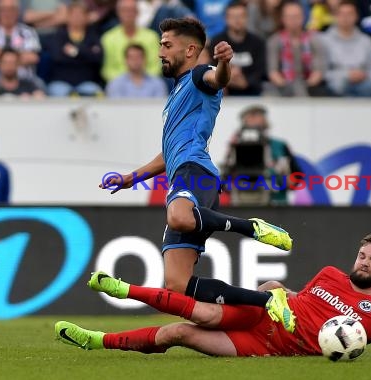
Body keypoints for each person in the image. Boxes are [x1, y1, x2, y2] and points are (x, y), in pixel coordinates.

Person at [99, 17, 295, 331]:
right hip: (180, 172)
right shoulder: (177, 92)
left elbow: (218, 79)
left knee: (179, 217)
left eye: (166, 45)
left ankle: (250, 227)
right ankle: (269, 300)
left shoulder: (199, 75)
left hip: (196, 172)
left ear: (190, 49)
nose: (160, 51)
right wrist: (130, 179)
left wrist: (224, 62)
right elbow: (168, 153)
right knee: (176, 284)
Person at [55, 234, 371, 358]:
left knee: (175, 334)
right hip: (264, 318)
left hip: (267, 348)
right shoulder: (330, 275)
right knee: (201, 313)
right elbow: (304, 298)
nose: (364, 262)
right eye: (362, 254)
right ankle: (119, 296)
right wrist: (281, 290)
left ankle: (98, 340)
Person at [223, 105, 301, 205]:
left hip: (276, 202)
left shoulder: (279, 145)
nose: (254, 121)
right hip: (243, 201)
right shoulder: (235, 146)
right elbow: (225, 176)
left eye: (257, 116)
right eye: (251, 117)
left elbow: (296, 175)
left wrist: (286, 180)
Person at [321, 0, 371, 97]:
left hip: (364, 81)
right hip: (338, 83)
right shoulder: (324, 40)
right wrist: (347, 75)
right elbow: (322, 72)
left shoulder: (366, 40)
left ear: (356, 16)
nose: (345, 18)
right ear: (335, 16)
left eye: (349, 14)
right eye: (342, 14)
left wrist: (364, 75)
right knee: (337, 86)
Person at [265, 0, 329, 97]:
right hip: (282, 87)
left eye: (296, 17)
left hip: (310, 87)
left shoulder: (314, 40)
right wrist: (288, 87)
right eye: (289, 17)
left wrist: (305, 86)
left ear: (303, 17)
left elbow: (318, 71)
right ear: (283, 19)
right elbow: (273, 72)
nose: (293, 21)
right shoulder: (274, 41)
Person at [0, 0, 42, 92]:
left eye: (11, 10)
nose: (7, 14)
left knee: (40, 87)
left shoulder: (28, 32)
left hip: (25, 77)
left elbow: (33, 58)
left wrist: (2, 54)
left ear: (17, 12)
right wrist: (19, 55)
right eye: (3, 10)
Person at [209, 0, 267, 96]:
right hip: (224, 94)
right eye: (233, 17)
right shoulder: (217, 42)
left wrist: (246, 82)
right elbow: (211, 66)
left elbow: (261, 71)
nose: (237, 20)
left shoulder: (258, 42)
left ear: (247, 18)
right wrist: (227, 79)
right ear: (226, 19)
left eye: (241, 16)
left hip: (252, 94)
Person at [46, 1, 104, 97]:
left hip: (87, 82)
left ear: (87, 17)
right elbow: (57, 57)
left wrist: (75, 51)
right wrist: (86, 53)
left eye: (81, 14)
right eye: (74, 14)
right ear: (68, 16)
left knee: (95, 93)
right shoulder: (59, 35)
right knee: (58, 93)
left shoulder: (94, 36)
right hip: (61, 83)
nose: (77, 17)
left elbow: (98, 58)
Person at [100, 0, 161, 83]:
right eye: (124, 10)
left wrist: (140, 80)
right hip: (118, 87)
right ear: (118, 13)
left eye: (131, 10)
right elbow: (107, 70)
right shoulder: (108, 38)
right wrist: (127, 81)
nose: (128, 14)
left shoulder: (152, 37)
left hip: (147, 85)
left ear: (138, 13)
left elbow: (156, 67)